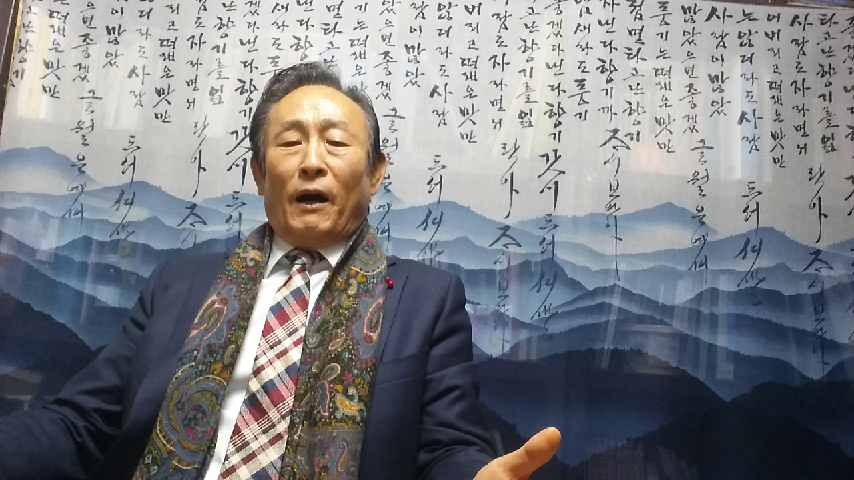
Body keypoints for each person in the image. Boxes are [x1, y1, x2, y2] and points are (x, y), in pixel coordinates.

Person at [0, 61, 560, 480]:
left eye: (336, 143)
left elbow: (445, 448)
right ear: (260, 173)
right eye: (289, 143)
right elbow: (82, 423)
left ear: (375, 173)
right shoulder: (180, 285)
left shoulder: (427, 300)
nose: (312, 161)